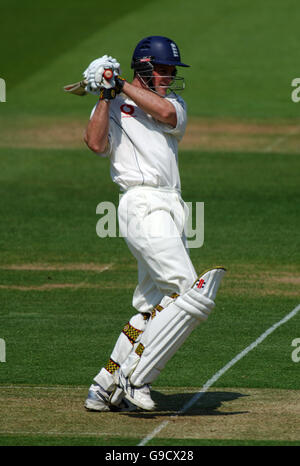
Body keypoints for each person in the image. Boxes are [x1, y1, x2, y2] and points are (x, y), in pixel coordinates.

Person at [83, 36, 226, 412]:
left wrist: (120, 84)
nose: (168, 77)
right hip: (141, 203)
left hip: (171, 206)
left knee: (153, 306)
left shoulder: (174, 105)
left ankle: (104, 385)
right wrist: (103, 94)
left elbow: (165, 115)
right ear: (144, 67)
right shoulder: (113, 102)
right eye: (162, 70)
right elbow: (96, 144)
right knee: (189, 292)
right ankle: (137, 376)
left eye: (171, 71)